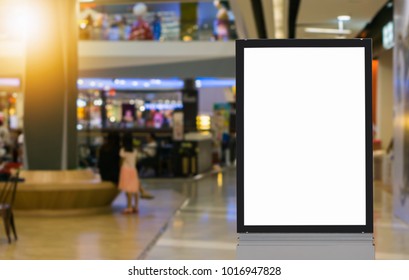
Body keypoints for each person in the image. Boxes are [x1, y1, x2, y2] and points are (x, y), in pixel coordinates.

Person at [118, 133, 140, 214]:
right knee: (135, 188)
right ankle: (136, 206)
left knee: (128, 189)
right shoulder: (135, 150)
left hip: (125, 170)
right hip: (133, 170)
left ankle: (129, 206)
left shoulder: (123, 150)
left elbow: (121, 161)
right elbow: (136, 161)